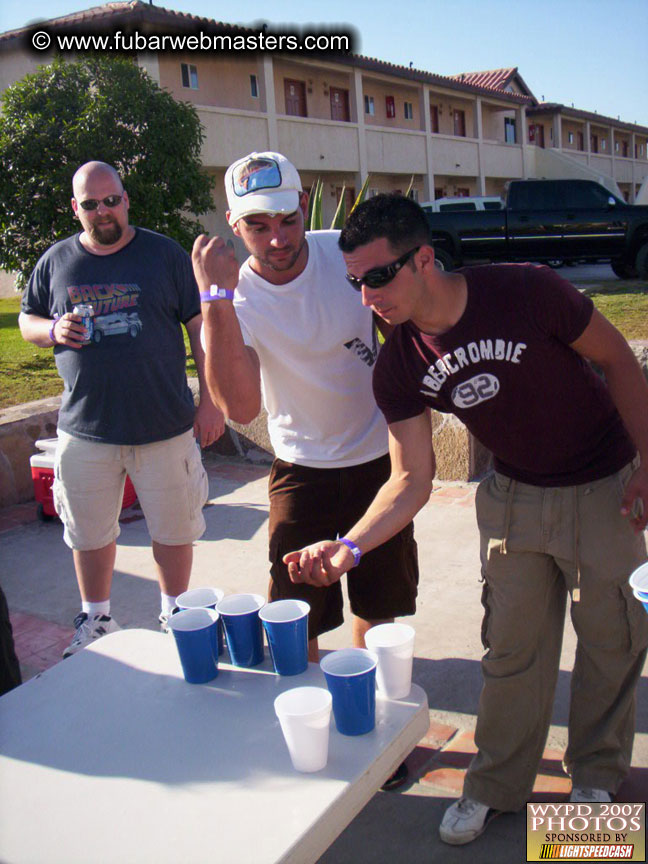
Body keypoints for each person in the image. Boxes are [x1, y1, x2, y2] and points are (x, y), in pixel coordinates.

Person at [283, 193, 648, 842]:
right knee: (511, 651)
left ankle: (594, 780)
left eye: (376, 277)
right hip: (514, 496)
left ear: (423, 258)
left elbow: (618, 359)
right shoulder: (399, 363)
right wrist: (349, 547)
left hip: (604, 483)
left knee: (611, 643)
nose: (366, 297)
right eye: (354, 283)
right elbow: (410, 477)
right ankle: (495, 785)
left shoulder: (526, 291)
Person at [191, 151, 419, 667]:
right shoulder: (230, 298)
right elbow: (241, 406)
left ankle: (377, 712)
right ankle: (310, 702)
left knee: (379, 606)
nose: (278, 238)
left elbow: (405, 331)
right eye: (258, 224)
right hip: (300, 465)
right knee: (296, 615)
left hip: (377, 459)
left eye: (289, 219)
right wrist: (214, 298)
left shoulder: (345, 256)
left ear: (302, 205)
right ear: (232, 224)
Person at [19, 161, 224, 658]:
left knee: (174, 528)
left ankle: (175, 615)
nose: (103, 210)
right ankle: (96, 620)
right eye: (90, 204)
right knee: (88, 531)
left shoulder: (164, 254)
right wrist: (52, 331)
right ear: (76, 208)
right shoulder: (56, 261)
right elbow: (27, 318)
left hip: (165, 424)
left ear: (126, 199)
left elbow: (200, 327)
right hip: (86, 430)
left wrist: (211, 401)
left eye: (111, 200)